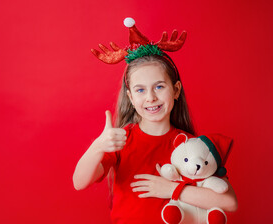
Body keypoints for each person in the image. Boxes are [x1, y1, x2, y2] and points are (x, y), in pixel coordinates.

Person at [73, 18, 237, 224]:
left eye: (159, 87)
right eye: (140, 90)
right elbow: (79, 182)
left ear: (176, 90)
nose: (150, 97)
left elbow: (229, 202)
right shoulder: (121, 140)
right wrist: (97, 147)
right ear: (131, 98)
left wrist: (171, 190)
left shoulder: (190, 144)